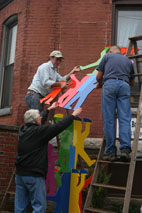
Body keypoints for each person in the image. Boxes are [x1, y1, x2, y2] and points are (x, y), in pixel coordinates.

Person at [14, 102, 82, 213]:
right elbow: (57, 127)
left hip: (20, 175)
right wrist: (73, 115)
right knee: (39, 207)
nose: (41, 118)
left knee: (20, 207)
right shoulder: (39, 132)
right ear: (37, 121)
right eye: (40, 117)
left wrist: (49, 110)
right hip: (34, 175)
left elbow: (37, 121)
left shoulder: (23, 130)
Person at [96, 45, 135, 162]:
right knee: (124, 118)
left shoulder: (107, 56)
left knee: (109, 119)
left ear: (111, 51)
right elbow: (132, 82)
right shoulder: (128, 61)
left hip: (110, 84)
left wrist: (100, 83)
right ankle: (125, 150)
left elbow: (98, 76)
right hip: (124, 86)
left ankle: (111, 152)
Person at [25, 50, 79, 123]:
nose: (58, 62)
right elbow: (45, 82)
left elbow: (63, 80)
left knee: (40, 119)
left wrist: (73, 72)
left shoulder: (54, 71)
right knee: (36, 119)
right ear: (51, 58)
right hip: (33, 94)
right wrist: (60, 84)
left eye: (60, 60)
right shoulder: (45, 67)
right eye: (57, 59)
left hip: (39, 96)